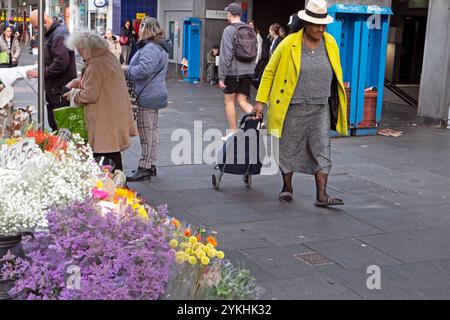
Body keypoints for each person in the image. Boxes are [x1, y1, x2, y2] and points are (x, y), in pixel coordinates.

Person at [253, 0, 348, 206]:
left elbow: (336, 70)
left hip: (320, 106)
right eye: (316, 25)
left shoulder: (330, 42)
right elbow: (269, 71)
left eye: (323, 25)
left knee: (323, 149)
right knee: (288, 148)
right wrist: (260, 101)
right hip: (292, 106)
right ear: (305, 23)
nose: (321, 28)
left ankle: (321, 195)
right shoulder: (289, 43)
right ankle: (287, 187)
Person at [63, 32, 138, 171]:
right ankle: (119, 187)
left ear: (87, 48)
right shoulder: (108, 57)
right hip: (113, 115)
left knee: (105, 159)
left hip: (104, 119)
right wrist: (78, 82)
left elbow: (90, 94)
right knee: (113, 154)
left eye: (79, 50)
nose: (79, 54)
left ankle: (113, 189)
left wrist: (73, 94)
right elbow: (99, 82)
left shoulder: (96, 64)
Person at [124, 17, 172, 182]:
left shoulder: (151, 48)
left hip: (147, 95)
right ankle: (150, 164)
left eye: (141, 27)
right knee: (151, 132)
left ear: (146, 29)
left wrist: (126, 69)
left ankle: (144, 167)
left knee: (146, 133)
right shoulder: (158, 46)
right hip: (153, 93)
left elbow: (144, 70)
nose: (139, 30)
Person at [26, 10, 77, 131]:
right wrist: (42, 63)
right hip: (54, 90)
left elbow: (61, 62)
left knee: (61, 128)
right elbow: (54, 57)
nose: (37, 30)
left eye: (37, 27)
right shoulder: (52, 33)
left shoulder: (59, 34)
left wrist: (40, 73)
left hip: (59, 91)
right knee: (55, 125)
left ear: (44, 22)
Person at [219, 2, 256, 140]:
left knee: (229, 101)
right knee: (242, 100)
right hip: (248, 71)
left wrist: (221, 77)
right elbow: (254, 51)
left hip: (233, 72)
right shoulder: (250, 29)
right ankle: (258, 119)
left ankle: (233, 132)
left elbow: (225, 55)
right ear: (240, 14)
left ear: (229, 14)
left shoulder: (229, 30)